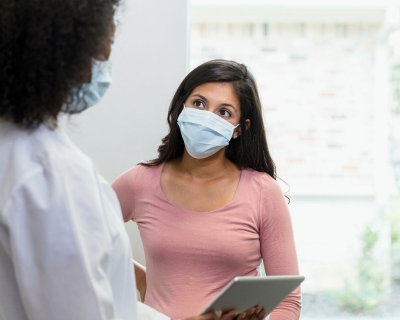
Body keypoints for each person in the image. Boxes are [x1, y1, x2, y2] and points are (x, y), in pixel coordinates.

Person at [0, 2, 239, 320]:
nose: (103, 65)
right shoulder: (53, 173)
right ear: (72, 55)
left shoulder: (16, 150)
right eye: (106, 46)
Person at [112, 59, 302, 320]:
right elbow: (83, 239)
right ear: (182, 106)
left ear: (239, 129)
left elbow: (288, 301)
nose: (206, 117)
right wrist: (140, 279)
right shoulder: (138, 182)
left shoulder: (263, 192)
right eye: (199, 103)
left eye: (224, 112)